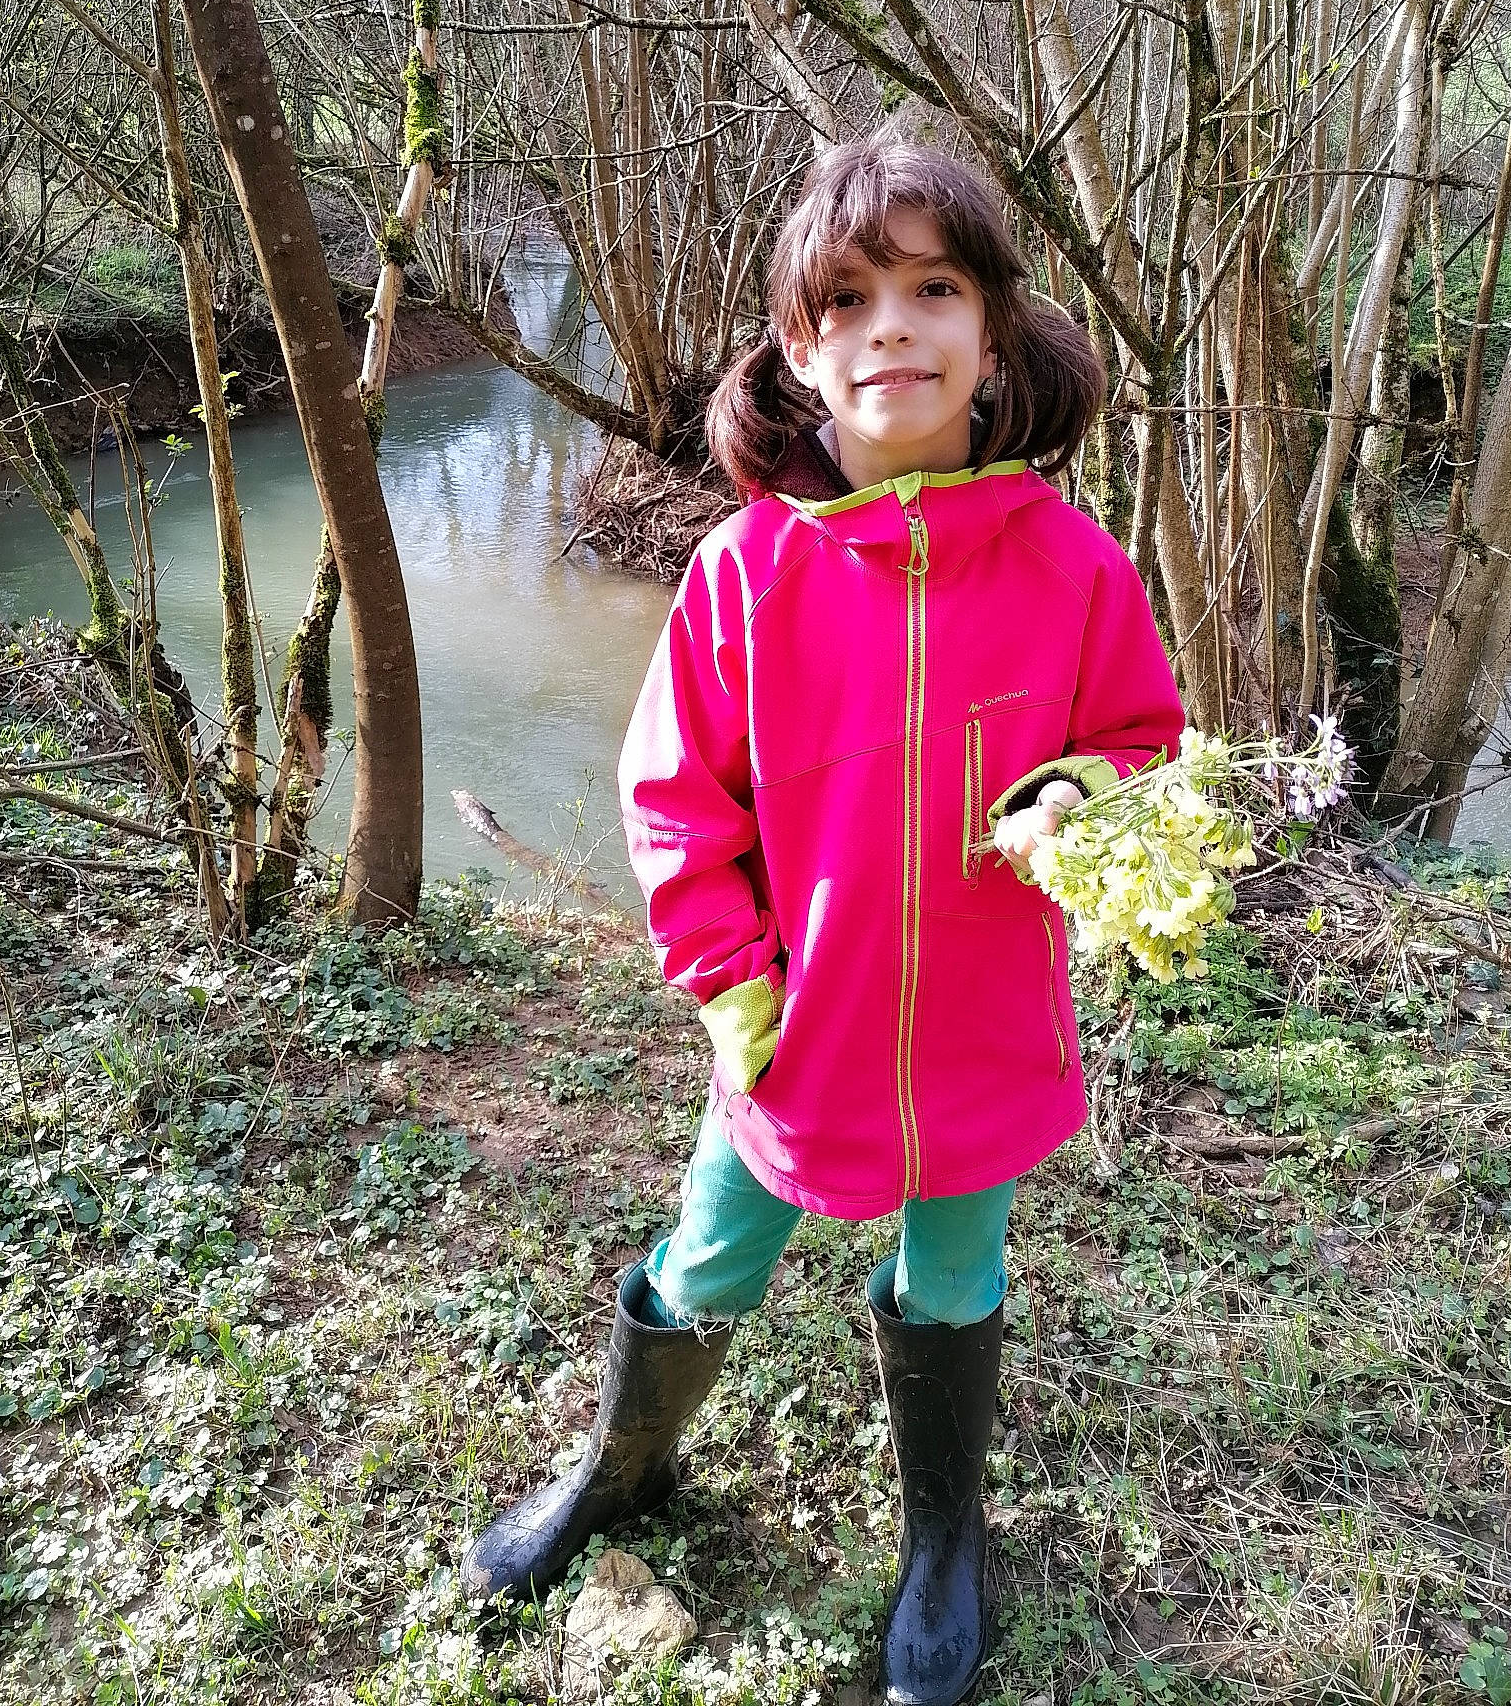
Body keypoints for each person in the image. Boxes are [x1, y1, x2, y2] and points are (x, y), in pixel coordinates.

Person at [462, 137, 1183, 1706]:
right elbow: (675, 808)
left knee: (954, 1278)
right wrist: (731, 985)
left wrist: (1086, 796)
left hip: (986, 1037)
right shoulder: (743, 577)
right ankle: (620, 1471)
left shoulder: (1073, 569)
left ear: (994, 336)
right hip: (794, 1030)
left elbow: (1141, 740)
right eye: (847, 299)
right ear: (799, 348)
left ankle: (942, 1542)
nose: (893, 327)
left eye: (935, 289)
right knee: (711, 1256)